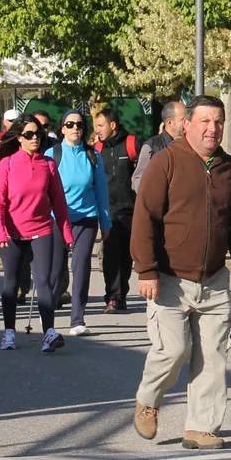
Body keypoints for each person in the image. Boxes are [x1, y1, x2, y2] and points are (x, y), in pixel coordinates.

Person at [131, 95, 231, 450]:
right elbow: (145, 219)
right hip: (168, 278)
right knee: (172, 351)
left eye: (218, 122)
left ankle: (201, 426)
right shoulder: (165, 163)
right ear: (186, 124)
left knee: (214, 358)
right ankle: (148, 399)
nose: (212, 129)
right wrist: (147, 269)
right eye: (204, 121)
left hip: (215, 280)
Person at [0, 115, 73, 352]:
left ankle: (49, 333)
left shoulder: (48, 165)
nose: (35, 138)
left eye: (38, 134)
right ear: (19, 138)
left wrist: (66, 234)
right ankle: (9, 332)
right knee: (11, 283)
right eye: (29, 134)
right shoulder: (7, 164)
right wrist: (0, 234)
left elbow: (59, 204)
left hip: (42, 229)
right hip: (13, 233)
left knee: (45, 281)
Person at [48, 110, 111, 336]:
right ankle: (49, 321)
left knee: (81, 266)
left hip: (86, 218)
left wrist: (106, 223)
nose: (75, 128)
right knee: (55, 271)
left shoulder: (93, 155)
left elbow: (102, 191)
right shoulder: (51, 154)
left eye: (80, 125)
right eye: (70, 124)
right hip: (57, 219)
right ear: (62, 128)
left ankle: (77, 319)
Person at [94, 107, 138, 313]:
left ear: (113, 125)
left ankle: (122, 295)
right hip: (107, 212)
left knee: (126, 257)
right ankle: (112, 296)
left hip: (131, 211)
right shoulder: (96, 150)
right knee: (110, 255)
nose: (98, 130)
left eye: (101, 125)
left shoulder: (131, 145)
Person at [130, 100, 186, 194]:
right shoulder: (152, 146)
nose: (187, 123)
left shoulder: (190, 144)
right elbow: (138, 180)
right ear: (169, 122)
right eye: (183, 120)